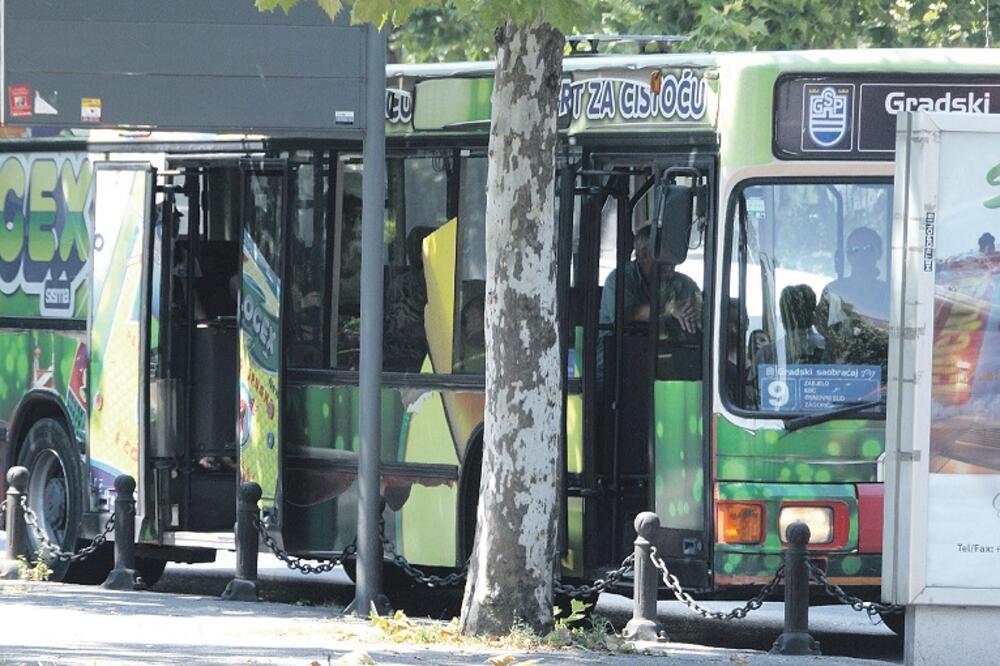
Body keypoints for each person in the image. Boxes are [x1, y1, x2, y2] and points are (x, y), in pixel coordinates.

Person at [597, 225, 701, 377]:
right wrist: (670, 309)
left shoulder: (685, 284)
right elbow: (627, 314)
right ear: (645, 255)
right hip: (617, 369)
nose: (673, 264)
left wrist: (695, 313)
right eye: (667, 256)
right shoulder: (619, 280)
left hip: (672, 367)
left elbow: (702, 311)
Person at [815, 226, 889, 369]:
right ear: (848, 255)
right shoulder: (834, 291)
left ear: (879, 253)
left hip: (882, 371)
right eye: (854, 249)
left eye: (868, 248)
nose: (861, 255)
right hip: (841, 370)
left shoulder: (890, 293)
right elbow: (824, 328)